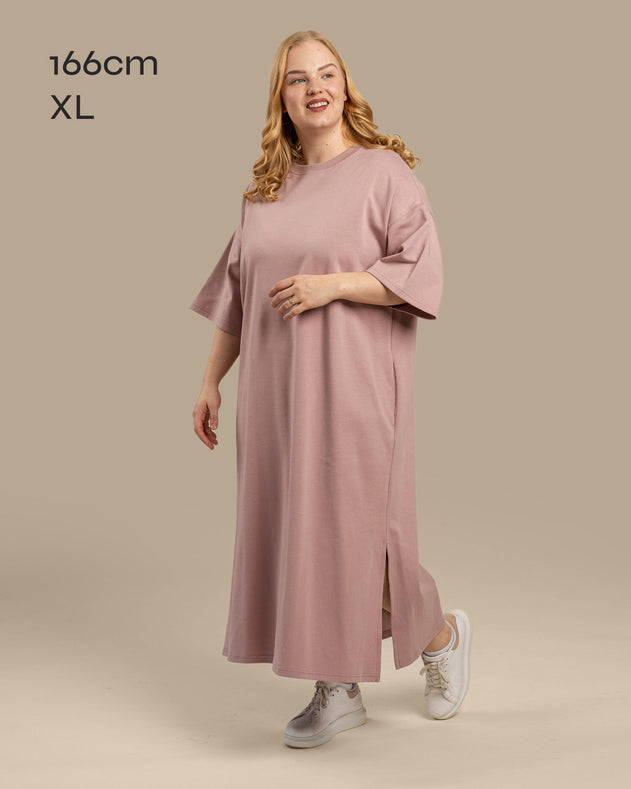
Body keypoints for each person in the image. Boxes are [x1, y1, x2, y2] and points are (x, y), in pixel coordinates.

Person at [189, 30, 471, 749]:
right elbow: (238, 296)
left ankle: (439, 635)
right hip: (274, 394)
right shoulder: (264, 192)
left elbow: (420, 272)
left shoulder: (383, 173)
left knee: (358, 534)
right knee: (300, 534)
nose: (315, 87)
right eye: (297, 78)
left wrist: (332, 286)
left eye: (327, 73)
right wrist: (211, 380)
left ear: (345, 86)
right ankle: (337, 688)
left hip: (354, 385)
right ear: (280, 98)